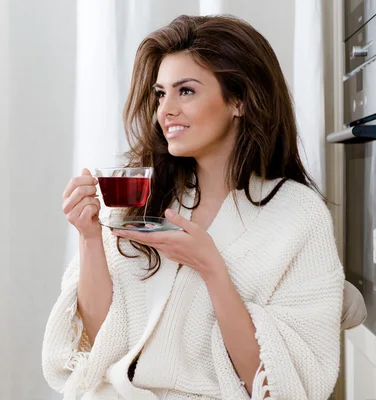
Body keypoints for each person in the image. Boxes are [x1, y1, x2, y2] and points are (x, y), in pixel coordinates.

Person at [42, 15, 344, 400]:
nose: (165, 110)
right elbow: (102, 346)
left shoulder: (296, 215)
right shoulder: (141, 195)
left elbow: (280, 385)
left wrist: (211, 268)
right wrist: (89, 238)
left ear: (239, 100)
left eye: (185, 91)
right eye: (160, 93)